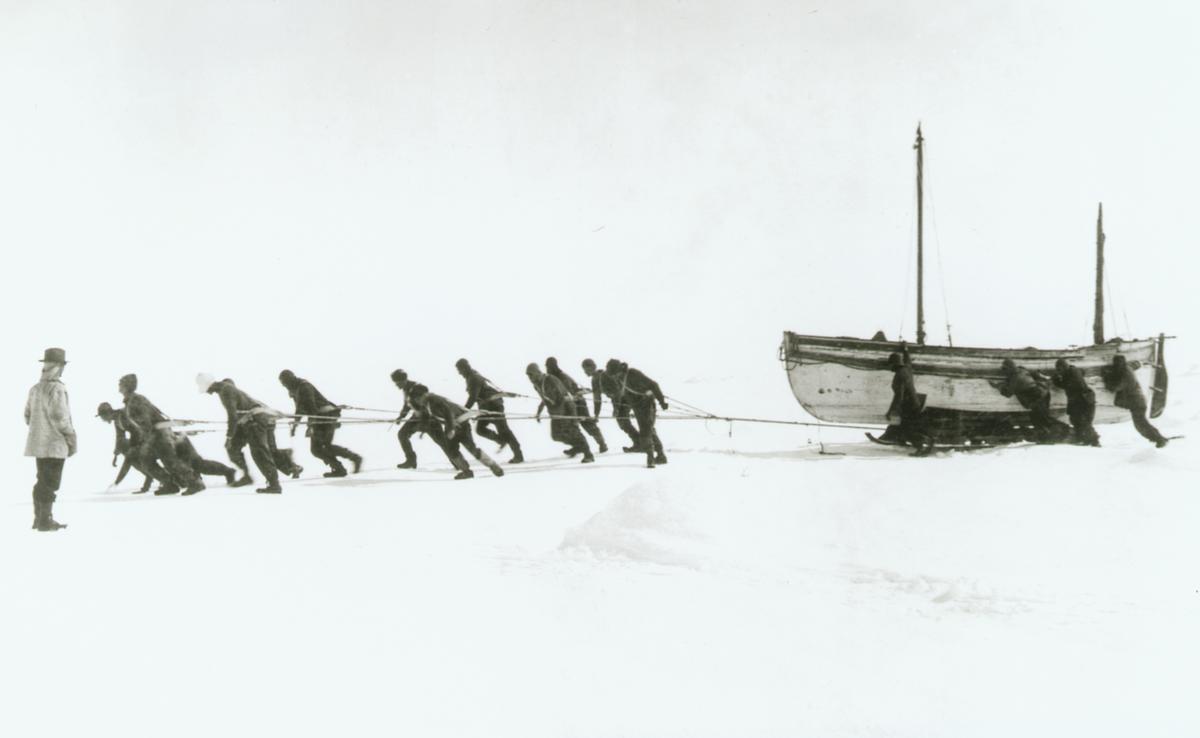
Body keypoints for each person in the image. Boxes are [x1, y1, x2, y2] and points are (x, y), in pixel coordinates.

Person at [197, 374, 302, 493]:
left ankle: (274, 485)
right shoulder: (227, 387)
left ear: (209, 386)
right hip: (259, 418)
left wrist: (229, 437)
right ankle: (284, 466)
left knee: (259, 452)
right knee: (242, 448)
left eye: (206, 390)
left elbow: (232, 416)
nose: (207, 393)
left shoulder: (225, 391)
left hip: (255, 420)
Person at [119, 373, 205, 495]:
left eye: (121, 383)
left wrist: (147, 439)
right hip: (155, 434)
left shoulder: (136, 401)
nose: (119, 385)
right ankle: (170, 484)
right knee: (147, 460)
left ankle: (194, 483)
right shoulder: (132, 401)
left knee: (169, 461)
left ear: (126, 386)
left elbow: (147, 422)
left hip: (158, 434)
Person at [25, 347, 75, 531]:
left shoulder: (35, 389)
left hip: (38, 444)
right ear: (59, 366)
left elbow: (27, 416)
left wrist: (40, 429)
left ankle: (38, 519)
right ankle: (45, 521)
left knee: (41, 479)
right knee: (51, 482)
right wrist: (70, 437)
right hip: (55, 444)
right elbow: (61, 417)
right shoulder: (58, 388)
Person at [409, 384, 504, 480]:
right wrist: (422, 430)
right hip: (453, 426)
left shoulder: (435, 400)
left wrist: (451, 429)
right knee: (451, 450)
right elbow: (426, 416)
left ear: (424, 395)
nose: (417, 401)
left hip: (461, 425)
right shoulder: (426, 403)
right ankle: (466, 471)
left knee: (471, 448)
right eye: (415, 399)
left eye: (418, 398)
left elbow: (448, 413)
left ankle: (493, 466)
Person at [279, 370, 363, 478]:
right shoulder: (295, 389)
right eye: (283, 384)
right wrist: (295, 425)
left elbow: (311, 408)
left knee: (322, 447)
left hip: (326, 416)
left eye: (285, 383)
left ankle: (352, 460)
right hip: (320, 417)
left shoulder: (304, 387)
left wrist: (310, 426)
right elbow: (300, 409)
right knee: (317, 449)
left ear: (291, 379)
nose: (285, 386)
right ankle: (340, 467)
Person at [455, 358, 523, 464]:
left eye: (459, 370)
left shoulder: (474, 378)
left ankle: (518, 455)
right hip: (486, 407)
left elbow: (473, 397)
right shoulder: (470, 377)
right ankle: (501, 440)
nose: (459, 373)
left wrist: (464, 411)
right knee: (480, 429)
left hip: (495, 406)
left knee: (504, 431)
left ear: (464, 368)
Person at [604, 359, 669, 468]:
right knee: (649, 429)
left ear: (620, 370)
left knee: (646, 430)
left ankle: (651, 458)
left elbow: (653, 385)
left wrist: (661, 401)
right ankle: (661, 456)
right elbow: (623, 394)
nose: (615, 376)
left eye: (615, 373)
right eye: (613, 375)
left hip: (647, 403)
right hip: (636, 406)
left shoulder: (633, 373)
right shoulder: (619, 378)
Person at [526, 363, 594, 463]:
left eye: (531, 374)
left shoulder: (550, 380)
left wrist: (569, 416)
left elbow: (564, 397)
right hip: (555, 413)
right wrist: (538, 412)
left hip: (567, 410)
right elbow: (545, 399)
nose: (530, 377)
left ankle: (588, 455)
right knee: (556, 436)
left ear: (537, 372)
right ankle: (578, 446)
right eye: (528, 375)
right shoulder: (537, 385)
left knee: (574, 432)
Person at [994, 359, 1069, 442]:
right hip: (1042, 394)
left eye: (1005, 369)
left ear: (1009, 369)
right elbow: (1034, 374)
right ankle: (1045, 438)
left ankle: (1062, 429)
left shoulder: (1016, 378)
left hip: (1038, 398)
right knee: (1037, 419)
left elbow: (1007, 393)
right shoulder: (1021, 370)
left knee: (1041, 419)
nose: (1004, 372)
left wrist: (998, 386)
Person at [1103, 354, 1169, 448]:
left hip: (1136, 403)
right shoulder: (1127, 369)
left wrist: (1106, 376)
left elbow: (1113, 388)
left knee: (1141, 424)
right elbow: (1135, 365)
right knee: (1141, 424)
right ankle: (1158, 438)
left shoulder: (1125, 374)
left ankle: (1159, 439)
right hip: (1138, 401)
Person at [546, 356, 607, 453]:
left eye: (549, 366)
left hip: (577, 401)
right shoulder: (551, 378)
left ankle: (602, 444)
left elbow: (571, 390)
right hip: (566, 404)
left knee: (587, 423)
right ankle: (578, 447)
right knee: (571, 427)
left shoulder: (562, 376)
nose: (547, 369)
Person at [391, 369, 448, 469]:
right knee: (402, 434)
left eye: (398, 383)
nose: (397, 386)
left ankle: (457, 462)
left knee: (441, 441)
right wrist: (401, 416)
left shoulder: (418, 388)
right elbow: (407, 405)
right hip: (417, 417)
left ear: (404, 380)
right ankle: (411, 460)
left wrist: (423, 422)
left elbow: (426, 405)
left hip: (429, 418)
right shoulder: (406, 389)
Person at [582, 358, 641, 451]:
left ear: (592, 367)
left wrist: (616, 408)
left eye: (586, 369)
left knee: (623, 422)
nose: (585, 372)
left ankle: (640, 443)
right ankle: (640, 442)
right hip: (623, 398)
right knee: (623, 422)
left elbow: (614, 393)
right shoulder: (600, 375)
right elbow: (598, 398)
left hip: (623, 399)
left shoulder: (598, 378)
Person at [97, 401, 156, 493]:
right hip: (141, 438)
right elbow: (119, 437)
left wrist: (134, 447)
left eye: (102, 416)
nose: (102, 419)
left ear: (107, 413)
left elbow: (137, 429)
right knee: (129, 455)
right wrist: (116, 455)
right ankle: (149, 477)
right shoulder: (117, 419)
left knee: (130, 457)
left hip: (148, 436)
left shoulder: (123, 415)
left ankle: (149, 478)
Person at [884, 349, 932, 455]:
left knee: (909, 430)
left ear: (894, 364)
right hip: (915, 403)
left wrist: (890, 411)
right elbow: (908, 361)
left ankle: (921, 449)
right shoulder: (907, 369)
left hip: (909, 406)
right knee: (905, 426)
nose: (889, 367)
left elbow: (898, 396)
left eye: (890, 364)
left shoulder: (899, 376)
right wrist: (905, 350)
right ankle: (899, 440)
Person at [1052, 358, 1101, 447]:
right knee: (1077, 420)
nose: (1059, 372)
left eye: (1059, 369)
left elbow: (1068, 385)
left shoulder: (1072, 373)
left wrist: (1056, 380)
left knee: (1082, 421)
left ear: (1063, 367)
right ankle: (1086, 440)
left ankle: (1094, 440)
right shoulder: (1072, 371)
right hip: (1082, 400)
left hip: (1083, 400)